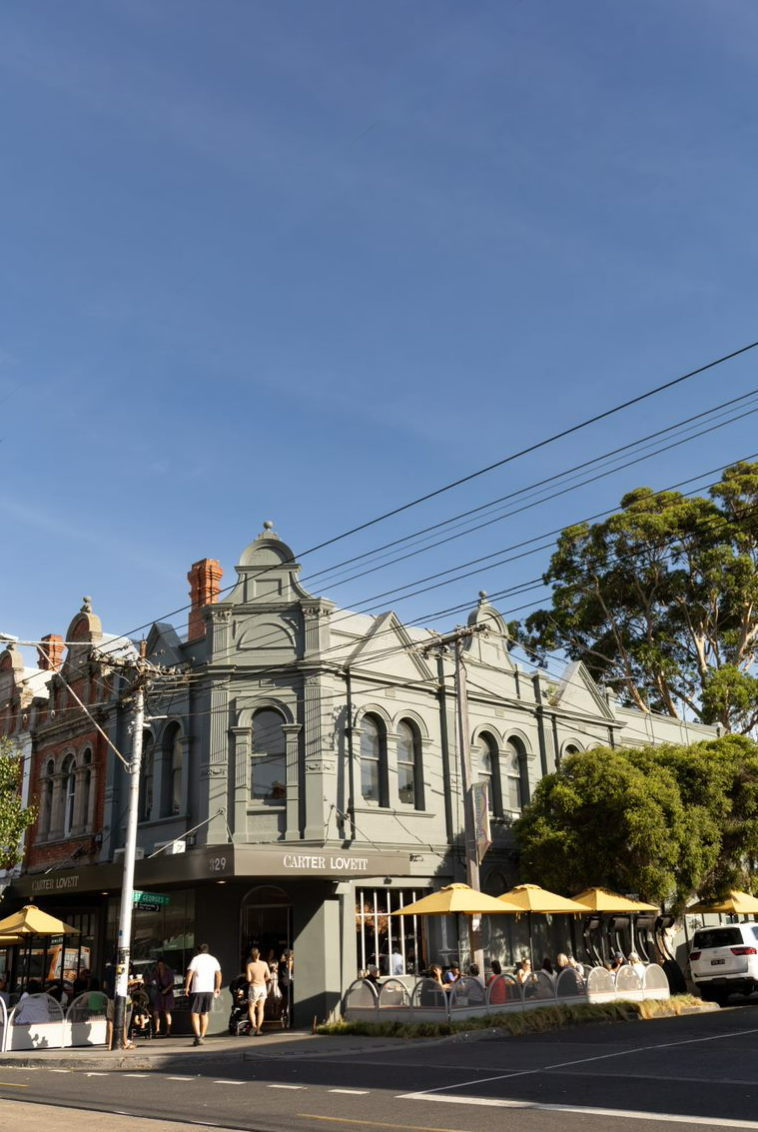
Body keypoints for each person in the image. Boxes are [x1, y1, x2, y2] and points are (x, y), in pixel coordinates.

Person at [185, 943, 221, 1047]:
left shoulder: (196, 959)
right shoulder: (213, 959)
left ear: (198, 951)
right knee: (204, 1013)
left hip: (197, 989)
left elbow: (190, 973)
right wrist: (217, 987)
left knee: (194, 1014)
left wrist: (187, 986)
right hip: (209, 990)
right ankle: (203, 1036)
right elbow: (219, 974)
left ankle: (198, 1036)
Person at [246, 947, 271, 1037]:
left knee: (252, 1008)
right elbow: (268, 976)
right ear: (259, 954)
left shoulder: (249, 965)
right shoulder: (264, 964)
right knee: (261, 1009)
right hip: (262, 987)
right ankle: (259, 1029)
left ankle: (254, 1025)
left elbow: (249, 979)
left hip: (254, 987)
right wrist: (262, 980)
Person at [152, 957, 175, 1038]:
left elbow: (172, 982)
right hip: (159, 994)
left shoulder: (169, 972)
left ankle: (168, 1031)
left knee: (167, 1012)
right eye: (159, 965)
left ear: (165, 965)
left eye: (162, 964)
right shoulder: (157, 972)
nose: (160, 966)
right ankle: (158, 1029)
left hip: (167, 994)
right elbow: (150, 978)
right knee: (156, 1012)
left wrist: (166, 990)